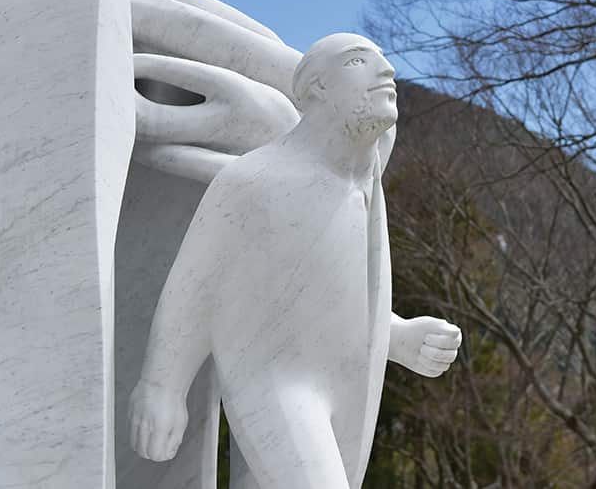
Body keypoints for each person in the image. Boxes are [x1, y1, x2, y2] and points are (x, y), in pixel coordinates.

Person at [129, 33, 461, 489]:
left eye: (384, 62)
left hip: (347, 385)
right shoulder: (255, 179)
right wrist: (161, 386)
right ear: (317, 87)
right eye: (358, 61)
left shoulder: (364, 187)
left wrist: (395, 335)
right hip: (275, 382)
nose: (387, 72)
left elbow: (330, 296)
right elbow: (196, 287)